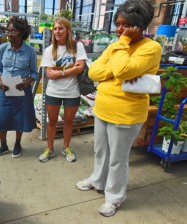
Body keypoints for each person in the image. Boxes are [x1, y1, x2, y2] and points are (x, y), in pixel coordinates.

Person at [76, 0, 162, 217]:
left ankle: (114, 197)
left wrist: (122, 45)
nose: (119, 30)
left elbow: (123, 71)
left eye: (125, 25)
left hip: (126, 114)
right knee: (100, 151)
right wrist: (115, 68)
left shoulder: (151, 48)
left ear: (138, 26)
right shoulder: (114, 46)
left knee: (117, 159)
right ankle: (97, 180)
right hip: (103, 107)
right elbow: (94, 72)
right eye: (118, 24)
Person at [39, 17, 87, 162]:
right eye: (55, 29)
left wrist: (61, 72)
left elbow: (81, 68)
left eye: (61, 28)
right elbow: (49, 74)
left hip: (72, 92)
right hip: (53, 92)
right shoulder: (49, 50)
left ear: (68, 30)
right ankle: (50, 148)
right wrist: (72, 69)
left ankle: (66, 147)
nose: (57, 31)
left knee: (68, 122)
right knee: (52, 122)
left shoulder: (77, 47)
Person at [0, 16, 38, 158]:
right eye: (8, 31)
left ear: (22, 33)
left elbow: (34, 73)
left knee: (19, 119)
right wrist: (0, 81)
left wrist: (26, 83)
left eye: (13, 32)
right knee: (3, 119)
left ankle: (18, 143)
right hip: (5, 90)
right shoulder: (3, 49)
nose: (9, 35)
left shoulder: (30, 51)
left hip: (22, 91)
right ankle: (3, 145)